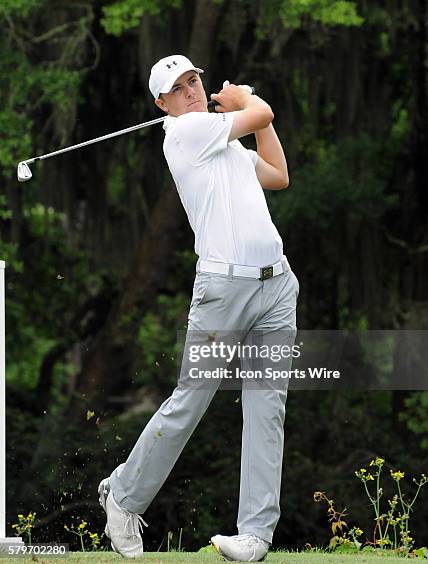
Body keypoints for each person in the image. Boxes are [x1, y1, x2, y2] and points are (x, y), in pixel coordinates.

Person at [98, 54, 299, 561]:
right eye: (177, 87)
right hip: (222, 292)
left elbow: (276, 174)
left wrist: (247, 113)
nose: (189, 91)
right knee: (192, 401)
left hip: (276, 286)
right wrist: (246, 101)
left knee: (267, 409)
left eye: (193, 81)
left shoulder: (222, 141)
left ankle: (254, 534)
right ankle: (122, 496)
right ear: (161, 103)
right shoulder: (184, 135)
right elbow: (260, 114)